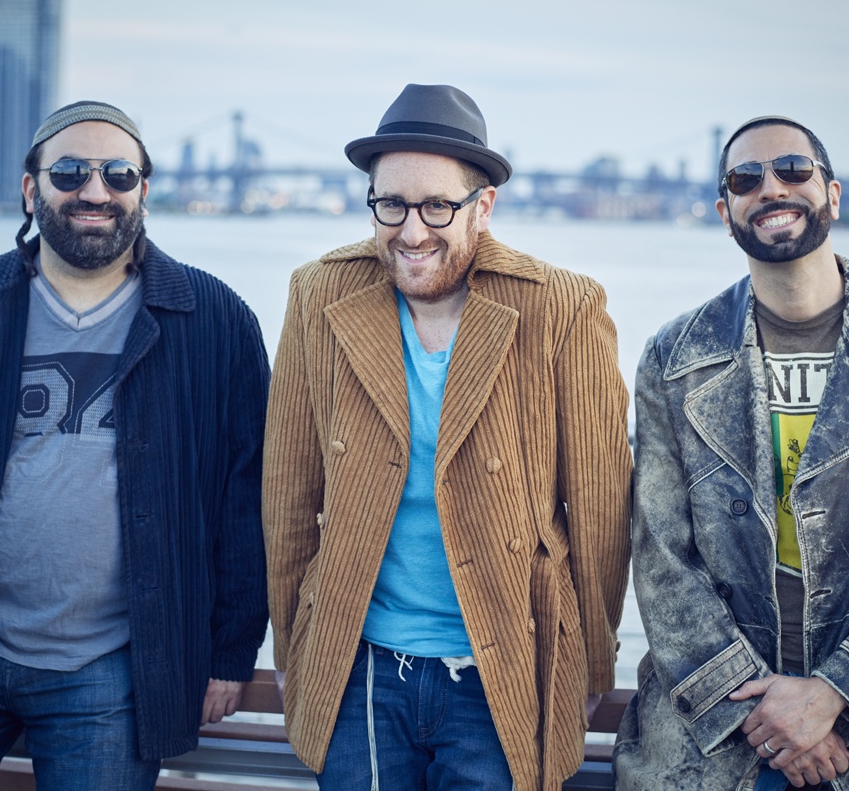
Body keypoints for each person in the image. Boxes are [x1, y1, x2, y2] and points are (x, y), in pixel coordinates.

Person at [0, 100, 270, 790]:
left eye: (118, 174)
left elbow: (245, 500)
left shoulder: (214, 319)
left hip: (112, 668)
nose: (95, 191)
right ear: (30, 189)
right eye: (70, 172)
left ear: (143, 190)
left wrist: (229, 651)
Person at [613, 115, 849, 790]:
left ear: (833, 195)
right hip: (724, 721)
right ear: (725, 212)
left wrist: (836, 694)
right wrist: (761, 712)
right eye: (746, 179)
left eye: (793, 170)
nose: (771, 188)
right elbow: (661, 555)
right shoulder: (677, 358)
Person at [262, 83, 633, 791]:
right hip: (359, 665)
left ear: (482, 206)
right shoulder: (318, 293)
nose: (411, 231)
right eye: (391, 205)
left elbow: (599, 509)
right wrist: (292, 645)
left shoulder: (561, 307)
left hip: (505, 666)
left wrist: (590, 663)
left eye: (437, 206)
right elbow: (287, 494)